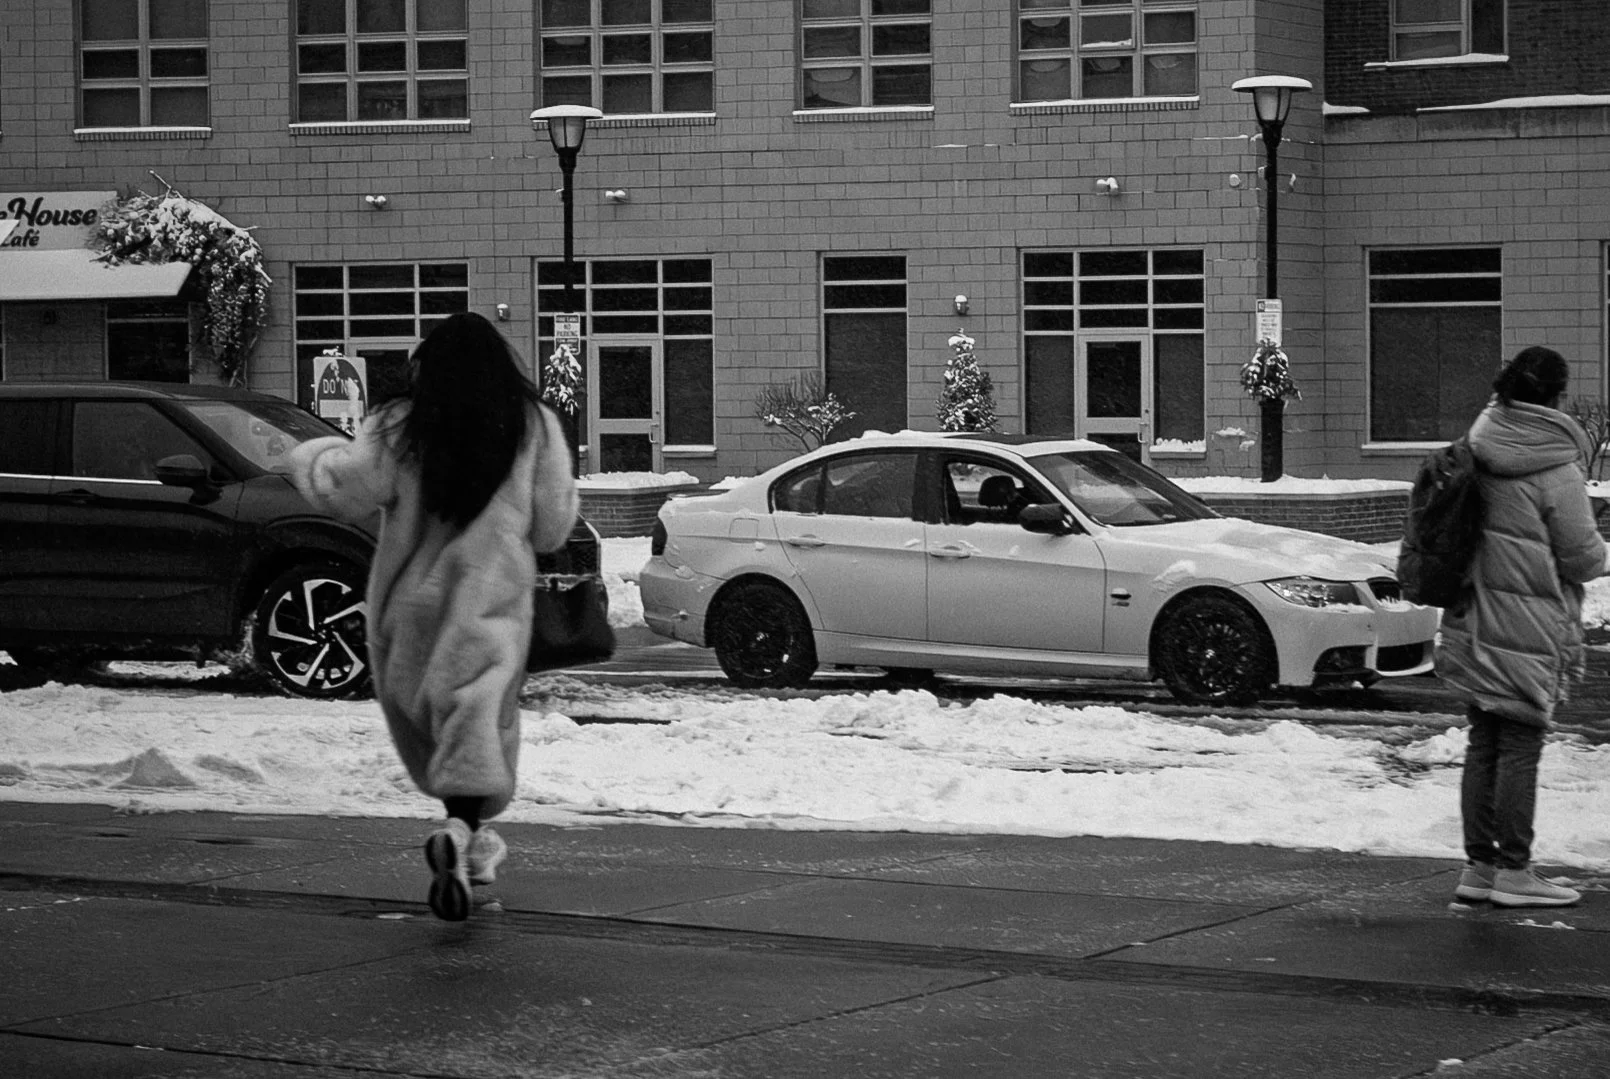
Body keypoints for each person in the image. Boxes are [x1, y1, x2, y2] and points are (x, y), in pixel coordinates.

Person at [288, 312, 578, 921]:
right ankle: (460, 831)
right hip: (489, 602)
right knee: (473, 717)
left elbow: (344, 489)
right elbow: (552, 529)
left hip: (409, 607)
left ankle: (471, 849)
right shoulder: (534, 428)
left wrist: (308, 456)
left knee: (434, 722)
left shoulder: (398, 425)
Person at [1436, 345, 1609, 908]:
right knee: (1519, 745)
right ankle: (1515, 870)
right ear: (1555, 398)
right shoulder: (1555, 466)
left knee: (1483, 740)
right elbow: (1582, 558)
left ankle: (1479, 869)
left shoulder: (1477, 446)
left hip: (1473, 614)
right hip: (1528, 620)